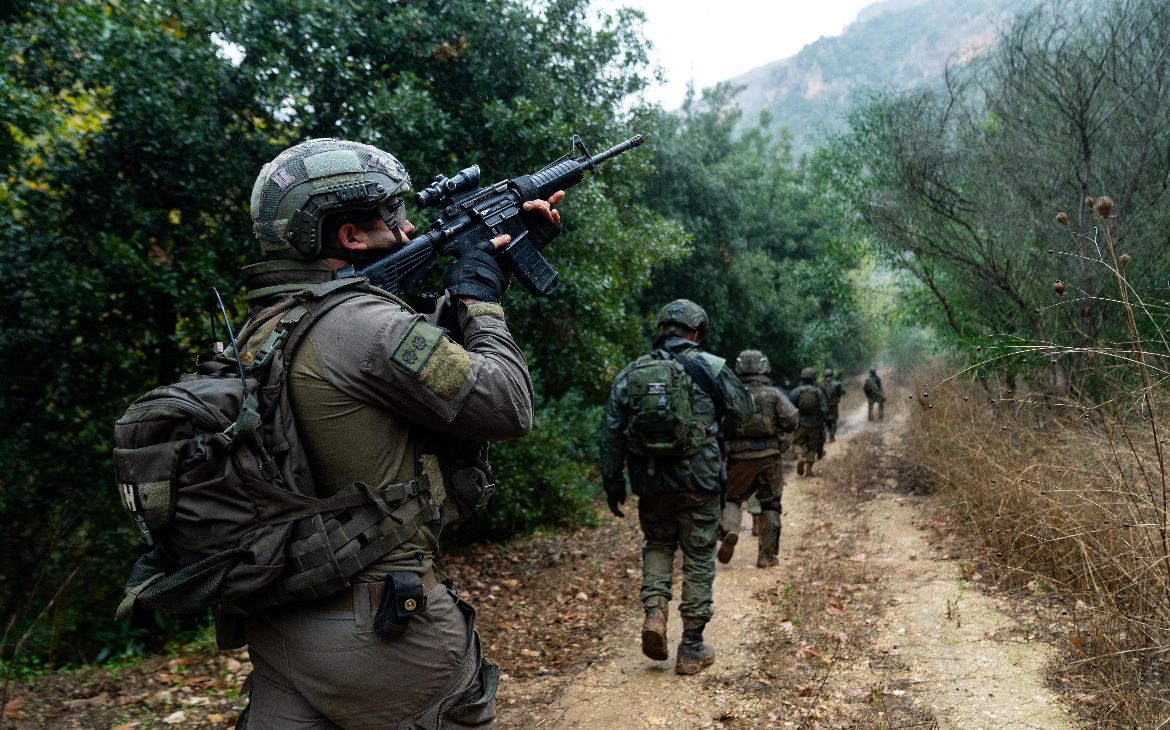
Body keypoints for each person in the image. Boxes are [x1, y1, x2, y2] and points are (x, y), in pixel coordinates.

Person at [238, 138, 563, 728]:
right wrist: (481, 302)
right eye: (392, 211)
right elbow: (507, 404)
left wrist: (497, 261)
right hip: (386, 628)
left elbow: (401, 368)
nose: (409, 226)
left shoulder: (266, 328)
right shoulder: (363, 324)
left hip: (283, 624)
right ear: (349, 236)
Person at [598, 300, 753, 675]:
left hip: (651, 481)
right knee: (698, 557)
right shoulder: (712, 366)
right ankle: (692, 648)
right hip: (699, 481)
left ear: (663, 329)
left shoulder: (633, 371)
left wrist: (613, 481)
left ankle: (655, 613)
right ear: (697, 332)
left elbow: (611, 432)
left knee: (658, 544)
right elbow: (745, 411)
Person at [718, 350, 797, 568]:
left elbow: (718, 424)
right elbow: (791, 419)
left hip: (738, 457)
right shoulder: (774, 394)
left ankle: (730, 530)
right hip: (769, 457)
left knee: (732, 498)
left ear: (739, 367)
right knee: (770, 504)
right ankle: (767, 556)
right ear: (764, 366)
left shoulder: (729, 394)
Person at [787, 367, 829, 477]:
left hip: (800, 424)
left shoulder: (796, 391)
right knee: (812, 446)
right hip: (815, 424)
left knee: (796, 443)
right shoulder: (818, 391)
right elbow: (824, 409)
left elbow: (788, 407)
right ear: (814, 378)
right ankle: (809, 471)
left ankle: (800, 457)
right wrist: (821, 420)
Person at [819, 368, 846, 442]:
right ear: (832, 375)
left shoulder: (820, 385)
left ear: (824, 375)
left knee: (825, 420)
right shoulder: (837, 384)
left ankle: (825, 437)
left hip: (824, 406)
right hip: (834, 406)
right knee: (834, 420)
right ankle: (832, 437)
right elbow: (843, 392)